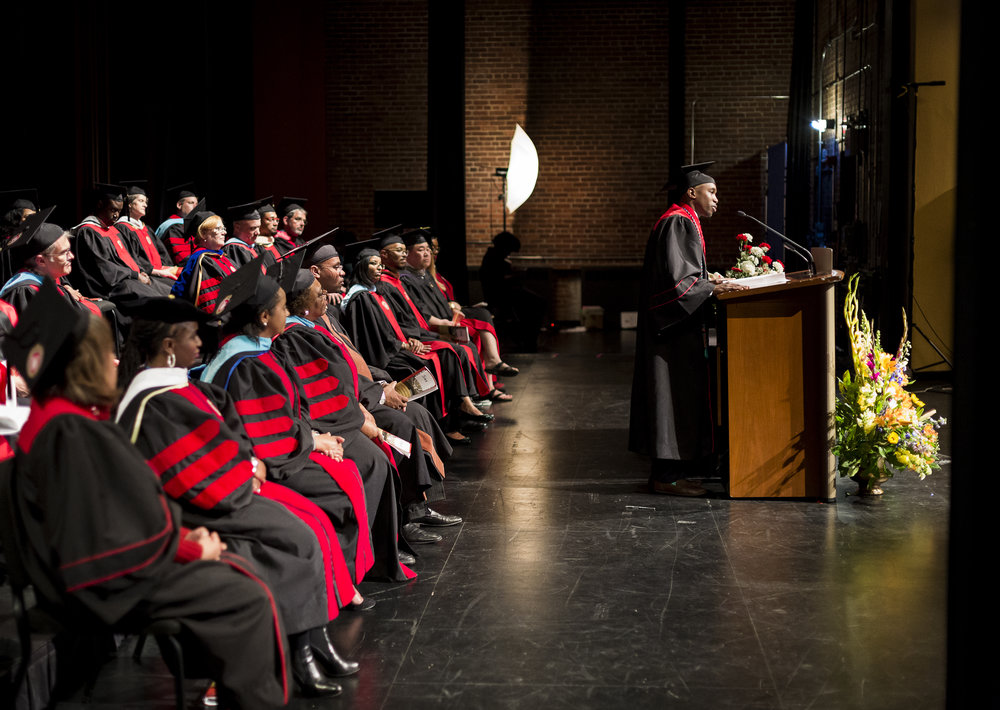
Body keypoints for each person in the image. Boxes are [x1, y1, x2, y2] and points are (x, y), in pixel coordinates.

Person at [3, 279, 288, 709]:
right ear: (83, 362)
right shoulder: (70, 431)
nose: (115, 360)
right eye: (104, 353)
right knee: (245, 595)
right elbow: (98, 533)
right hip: (100, 583)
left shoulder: (56, 418)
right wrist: (188, 550)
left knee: (238, 574)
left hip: (96, 569)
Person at [116, 296, 361, 696]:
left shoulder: (183, 389)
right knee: (296, 538)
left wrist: (249, 464)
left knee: (305, 531)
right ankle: (299, 655)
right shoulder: (149, 404)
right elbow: (186, 473)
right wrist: (246, 472)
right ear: (167, 345)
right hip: (200, 510)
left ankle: (310, 645)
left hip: (228, 493)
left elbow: (233, 435)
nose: (200, 345)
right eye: (192, 336)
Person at [200, 257, 414, 579]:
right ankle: (345, 571)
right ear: (263, 316)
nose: (287, 315)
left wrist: (316, 432)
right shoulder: (248, 361)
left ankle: (362, 560)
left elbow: (288, 406)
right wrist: (313, 439)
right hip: (264, 458)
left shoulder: (256, 348)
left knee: (371, 460)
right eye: (283, 308)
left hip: (293, 438)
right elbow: (266, 428)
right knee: (356, 474)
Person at [272, 269, 461, 547]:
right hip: (339, 411)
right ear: (302, 303)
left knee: (415, 414)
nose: (326, 297)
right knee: (401, 426)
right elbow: (326, 386)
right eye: (319, 295)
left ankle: (417, 509)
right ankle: (402, 523)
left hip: (359, 395)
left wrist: (381, 384)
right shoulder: (296, 336)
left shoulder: (318, 323)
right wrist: (376, 399)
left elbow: (349, 365)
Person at [628, 162, 745, 497]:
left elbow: (683, 274)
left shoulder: (682, 219)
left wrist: (711, 281)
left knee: (675, 398)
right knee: (670, 398)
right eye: (712, 192)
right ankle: (666, 477)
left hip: (674, 329)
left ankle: (674, 473)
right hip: (671, 333)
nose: (716, 199)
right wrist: (711, 288)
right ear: (692, 193)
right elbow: (679, 285)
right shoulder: (678, 221)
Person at [400, 229, 518, 394]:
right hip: (432, 327)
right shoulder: (406, 279)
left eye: (428, 249)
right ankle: (483, 387)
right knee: (472, 334)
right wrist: (442, 322)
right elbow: (419, 312)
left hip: (446, 319)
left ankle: (488, 381)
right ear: (407, 254)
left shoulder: (424, 274)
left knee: (482, 316)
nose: (427, 254)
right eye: (421, 250)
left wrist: (452, 306)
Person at [69, 183, 172, 301]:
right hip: (110, 286)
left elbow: (131, 256)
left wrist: (141, 271)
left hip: (128, 279)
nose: (116, 215)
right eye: (113, 210)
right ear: (100, 205)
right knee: (157, 299)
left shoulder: (113, 230)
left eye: (119, 211)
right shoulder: (88, 231)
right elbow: (103, 267)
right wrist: (135, 275)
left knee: (168, 289)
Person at [171, 202, 238, 313]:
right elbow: (210, 305)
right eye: (218, 228)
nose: (224, 232)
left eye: (223, 228)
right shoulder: (203, 260)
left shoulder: (220, 256)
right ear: (203, 234)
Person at [115, 181, 178, 280]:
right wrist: (156, 272)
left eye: (146, 202)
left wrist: (167, 268)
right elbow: (132, 258)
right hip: (146, 275)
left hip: (161, 272)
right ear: (129, 204)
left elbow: (163, 253)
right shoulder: (122, 228)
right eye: (141, 201)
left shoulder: (146, 228)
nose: (145, 205)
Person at [155, 182, 199, 265]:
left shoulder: (191, 226)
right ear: (179, 205)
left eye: (196, 204)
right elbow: (181, 259)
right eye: (191, 203)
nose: (195, 207)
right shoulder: (174, 227)